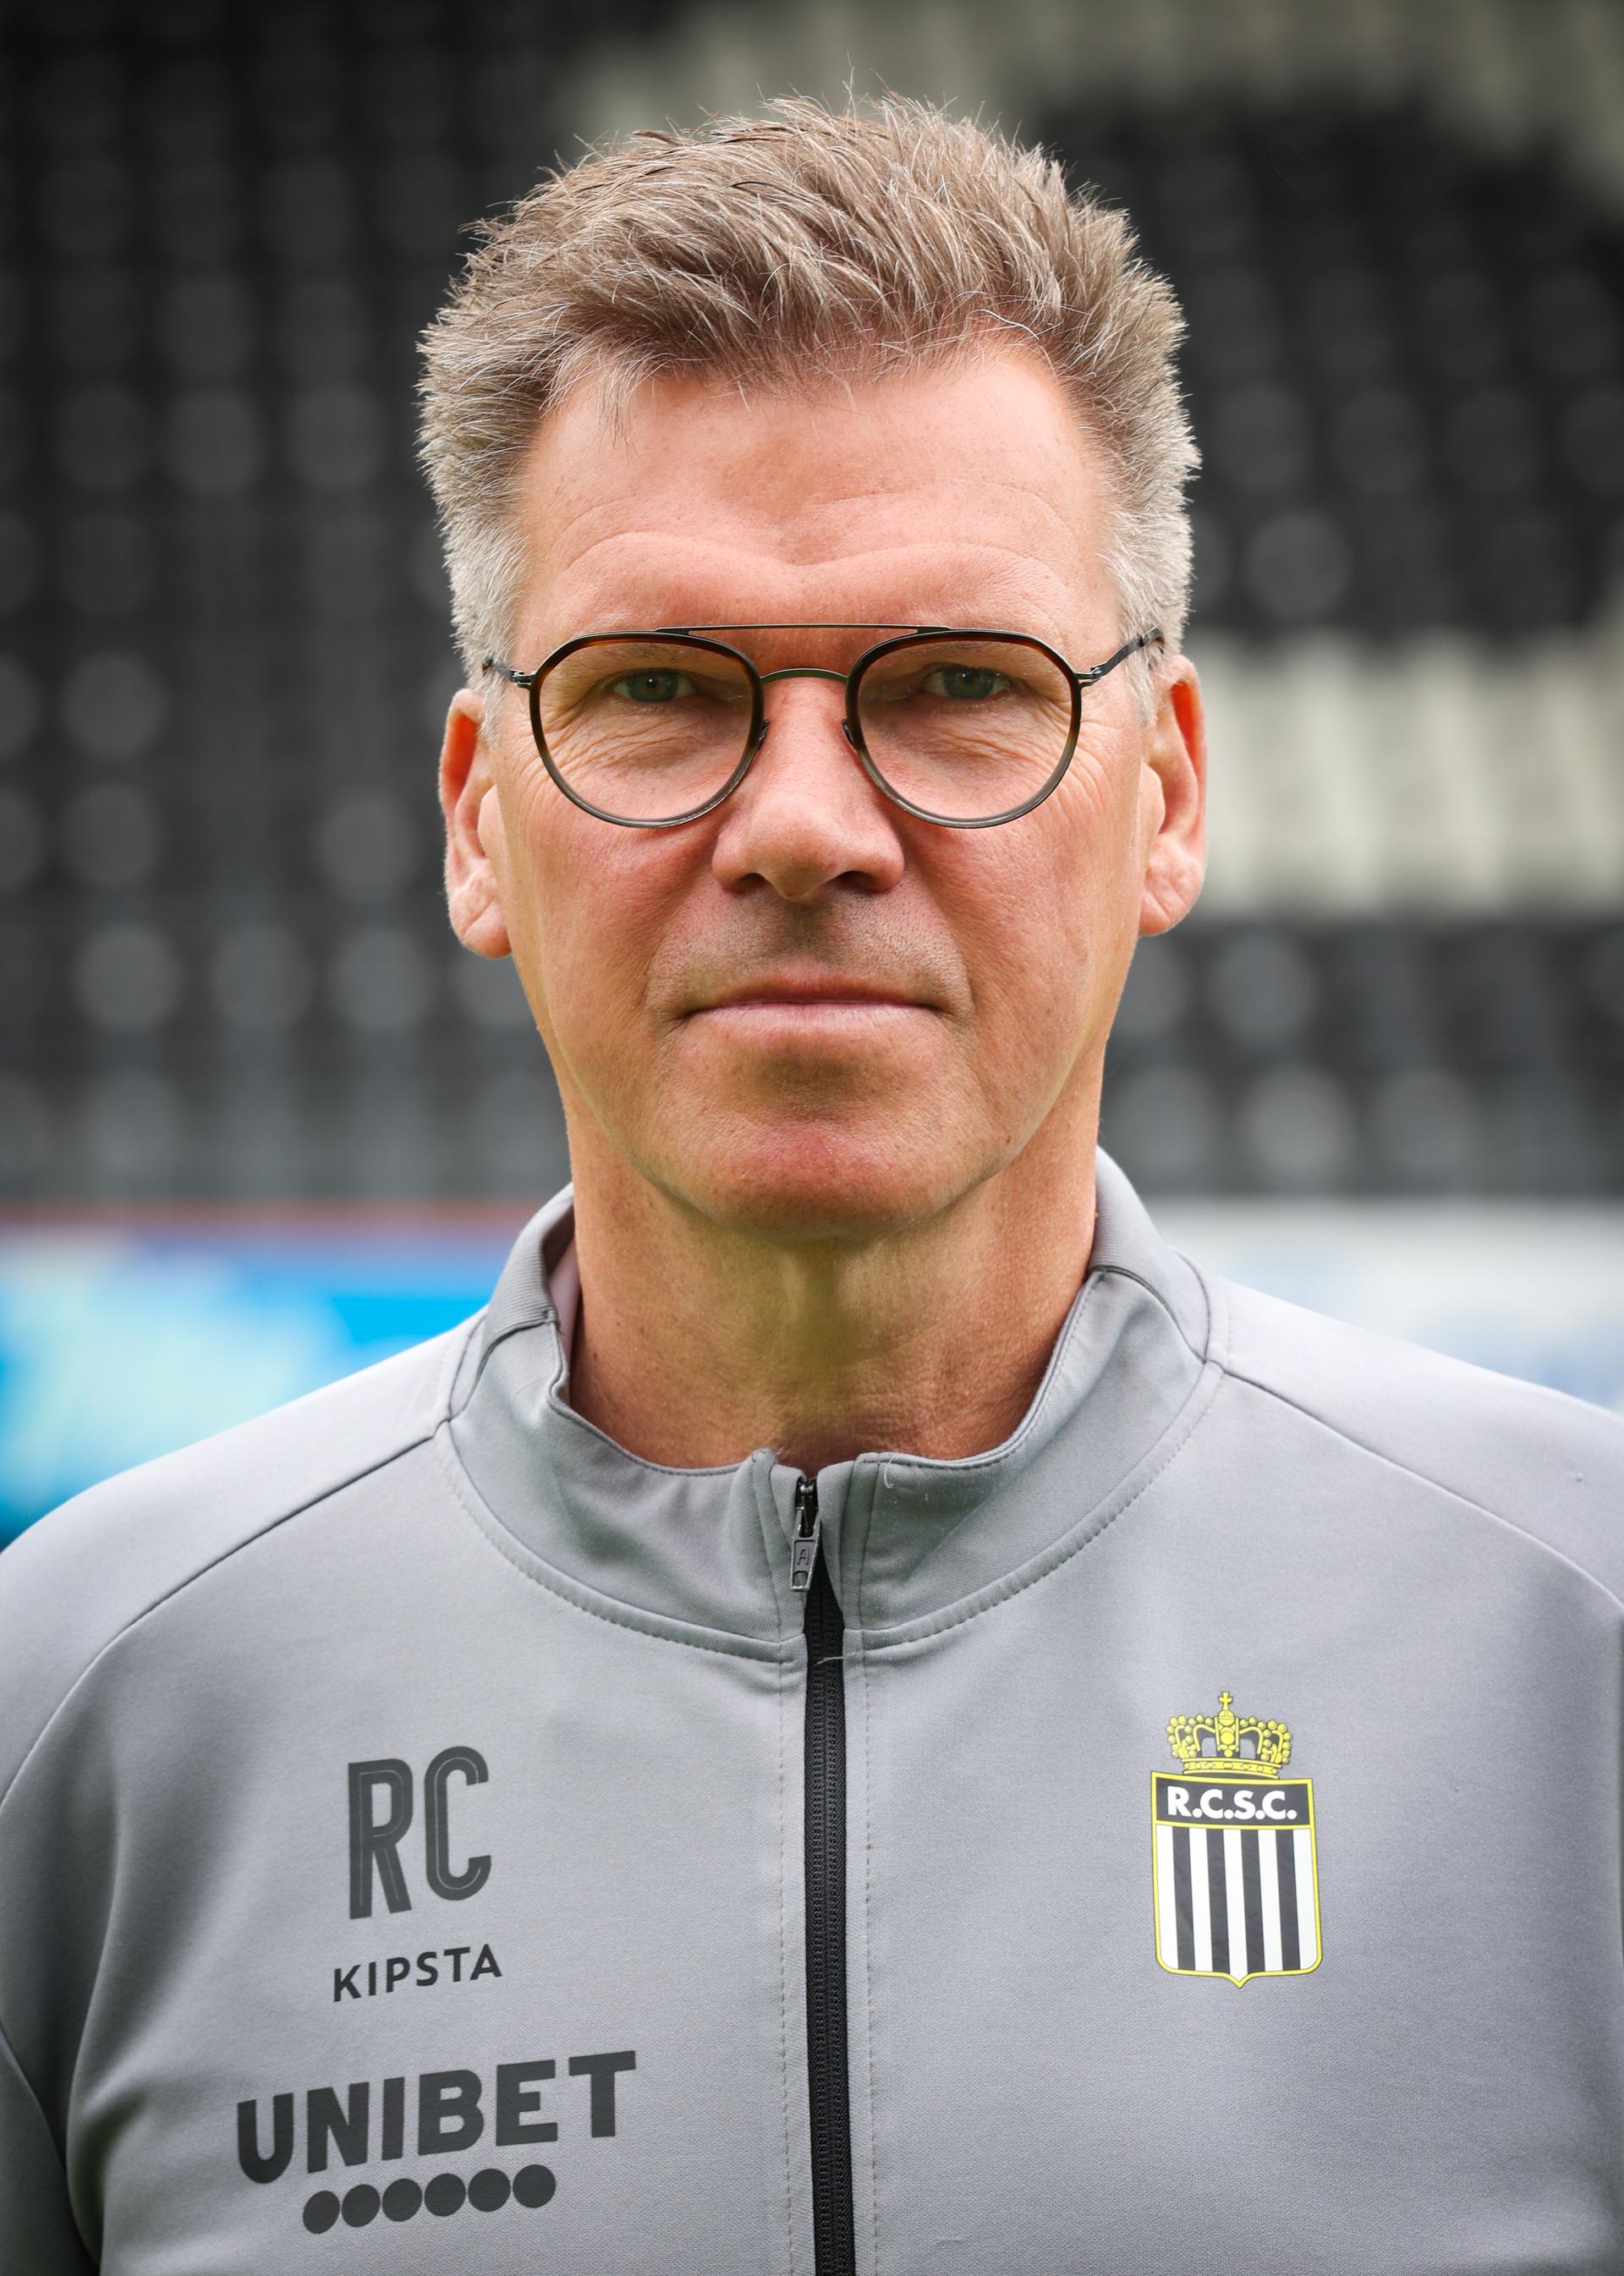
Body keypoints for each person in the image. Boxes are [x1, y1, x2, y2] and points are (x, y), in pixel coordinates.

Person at [3, 96, 1622, 2276]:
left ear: (1168, 792)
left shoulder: (1576, 1650)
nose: (802, 826)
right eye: (658, 692)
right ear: (480, 816)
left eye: (960, 689)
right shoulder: (85, 1708)